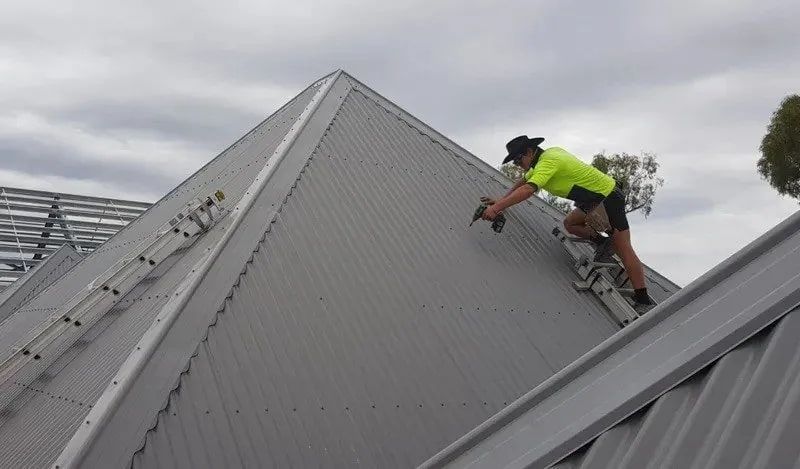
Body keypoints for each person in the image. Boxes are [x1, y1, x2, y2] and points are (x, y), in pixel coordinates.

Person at [481, 135, 654, 307]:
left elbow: (528, 189)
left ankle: (642, 297)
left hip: (608, 196)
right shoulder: (543, 159)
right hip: (592, 201)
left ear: (529, 151)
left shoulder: (549, 161)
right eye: (515, 164)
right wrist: (501, 201)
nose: (518, 166)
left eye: (518, 161)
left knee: (623, 247)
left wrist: (495, 209)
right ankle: (602, 242)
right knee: (570, 224)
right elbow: (524, 180)